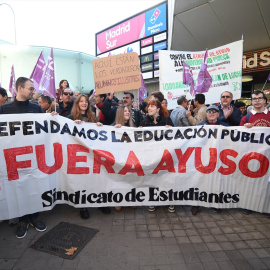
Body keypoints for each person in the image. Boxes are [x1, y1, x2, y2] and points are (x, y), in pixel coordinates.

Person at [0, 77, 46, 238]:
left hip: (33, 157)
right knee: (18, 187)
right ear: (20, 88)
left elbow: (43, 130)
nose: (33, 91)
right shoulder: (4, 109)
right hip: (13, 159)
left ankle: (34, 216)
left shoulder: (37, 109)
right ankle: (22, 219)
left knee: (34, 185)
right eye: (31, 89)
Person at [68, 94, 111, 218]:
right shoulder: (71, 118)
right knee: (81, 181)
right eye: (81, 101)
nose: (84, 103)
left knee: (96, 179)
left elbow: (101, 134)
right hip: (78, 155)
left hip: (92, 155)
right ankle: (83, 206)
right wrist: (73, 125)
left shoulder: (92, 118)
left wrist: (99, 126)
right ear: (77, 104)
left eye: (86, 101)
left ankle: (100, 202)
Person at [191, 105, 229, 215]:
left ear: (218, 114)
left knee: (216, 181)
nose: (211, 113)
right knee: (199, 180)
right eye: (209, 111)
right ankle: (196, 204)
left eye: (214, 111)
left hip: (218, 158)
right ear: (206, 114)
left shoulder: (225, 126)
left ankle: (215, 203)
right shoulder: (199, 126)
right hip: (202, 158)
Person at [140, 100, 175, 213]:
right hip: (150, 156)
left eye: (152, 106)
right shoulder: (145, 121)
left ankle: (169, 201)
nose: (149, 108)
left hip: (164, 156)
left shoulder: (166, 120)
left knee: (166, 178)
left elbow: (177, 136)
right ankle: (153, 200)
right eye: (149, 106)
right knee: (152, 177)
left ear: (158, 109)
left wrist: (171, 130)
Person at [240, 91, 270, 218]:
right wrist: (245, 129)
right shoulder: (245, 118)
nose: (257, 101)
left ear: (265, 101)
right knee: (251, 181)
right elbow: (239, 137)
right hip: (252, 156)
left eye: (259, 98)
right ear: (251, 102)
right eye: (254, 99)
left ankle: (266, 206)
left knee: (267, 182)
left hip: (268, 155)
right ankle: (250, 204)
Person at [112, 105, 134, 211]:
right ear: (120, 113)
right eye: (125, 111)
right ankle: (118, 198)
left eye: (128, 111)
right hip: (118, 161)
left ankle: (130, 197)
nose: (128, 112)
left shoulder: (132, 127)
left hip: (130, 160)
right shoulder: (112, 126)